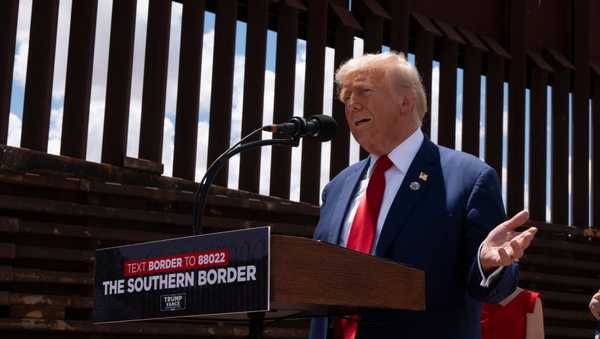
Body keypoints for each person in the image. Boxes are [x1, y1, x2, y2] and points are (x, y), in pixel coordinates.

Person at [309, 52, 538, 339]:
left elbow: (494, 290)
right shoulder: (338, 187)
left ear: (406, 101)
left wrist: (487, 266)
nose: (352, 104)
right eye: (346, 98)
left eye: (364, 91)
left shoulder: (468, 178)